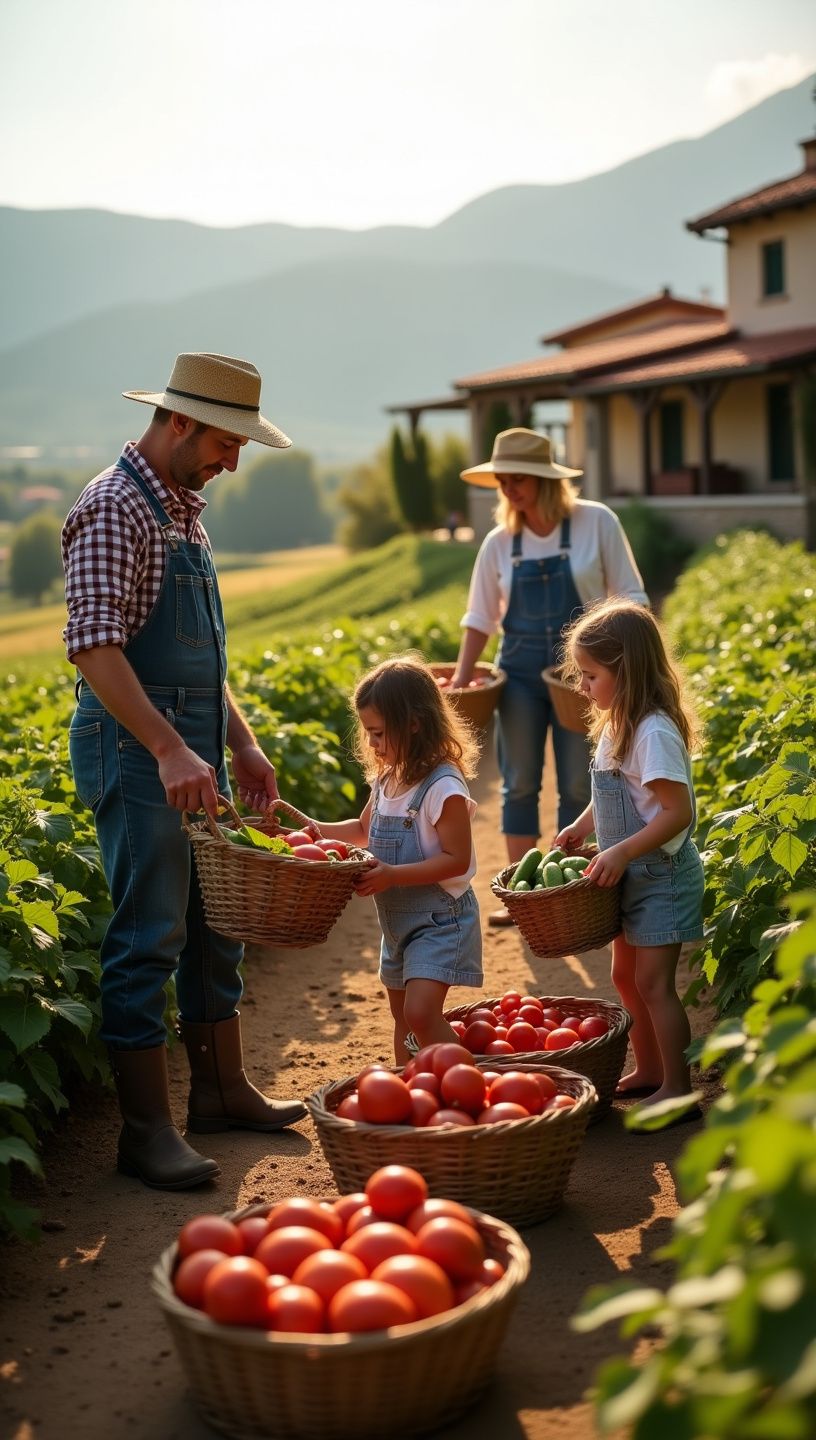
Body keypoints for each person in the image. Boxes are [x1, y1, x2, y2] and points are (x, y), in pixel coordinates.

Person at [61, 351, 306, 1192]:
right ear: (178, 422)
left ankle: (221, 1092)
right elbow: (95, 646)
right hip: (136, 749)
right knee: (150, 932)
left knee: (214, 921)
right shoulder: (115, 507)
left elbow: (200, 664)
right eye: (227, 441)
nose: (232, 461)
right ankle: (145, 1130)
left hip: (193, 746)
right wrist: (168, 746)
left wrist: (239, 741)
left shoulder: (182, 513)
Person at [451, 427, 648, 926]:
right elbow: (479, 618)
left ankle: (571, 894)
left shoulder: (595, 522)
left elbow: (631, 598)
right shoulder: (500, 543)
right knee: (518, 782)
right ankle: (523, 895)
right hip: (516, 673)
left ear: (546, 480)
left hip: (580, 676)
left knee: (580, 786)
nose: (509, 489)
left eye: (519, 478)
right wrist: (460, 680)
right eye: (502, 480)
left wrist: (624, 667)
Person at [555, 598, 705, 1118]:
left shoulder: (654, 732)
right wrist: (581, 826)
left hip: (659, 875)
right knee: (624, 976)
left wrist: (620, 849)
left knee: (654, 982)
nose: (582, 687)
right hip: (627, 873)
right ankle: (650, 1069)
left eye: (590, 675)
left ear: (627, 671)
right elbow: (613, 794)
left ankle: (680, 1089)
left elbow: (675, 812)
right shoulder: (619, 723)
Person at [305, 656, 483, 1064]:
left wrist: (393, 875)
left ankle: (472, 1087)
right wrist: (311, 828)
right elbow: (363, 829)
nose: (372, 744)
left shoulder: (444, 787)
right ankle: (413, 1094)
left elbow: (457, 860)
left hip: (441, 922)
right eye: (368, 733)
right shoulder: (388, 778)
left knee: (421, 1013)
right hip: (398, 924)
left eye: (379, 733)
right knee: (401, 1016)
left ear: (415, 723)